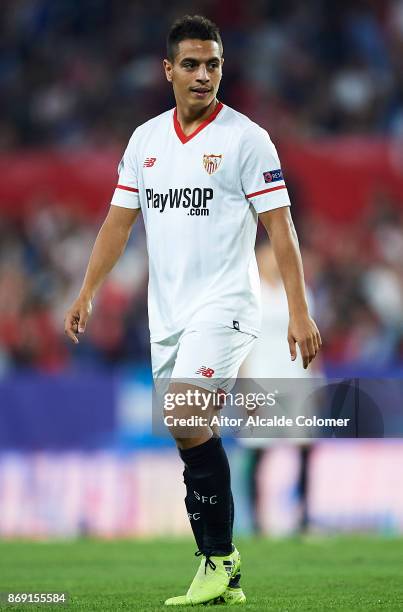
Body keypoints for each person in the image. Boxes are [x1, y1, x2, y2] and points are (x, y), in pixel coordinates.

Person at [64, 15, 321, 606]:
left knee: (183, 415)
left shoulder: (247, 139)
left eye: (213, 64)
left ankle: (218, 560)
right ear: (168, 70)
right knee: (188, 431)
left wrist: (300, 312)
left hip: (227, 305)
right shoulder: (145, 141)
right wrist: (86, 291)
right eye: (191, 64)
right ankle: (221, 564)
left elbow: (280, 228)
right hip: (169, 315)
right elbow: (117, 223)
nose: (203, 75)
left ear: (222, 68)